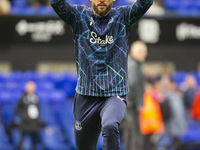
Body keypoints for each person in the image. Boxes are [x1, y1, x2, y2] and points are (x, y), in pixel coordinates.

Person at [50, 0, 153, 149]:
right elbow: (55, 2)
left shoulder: (123, 16)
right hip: (85, 95)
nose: (102, 0)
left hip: (114, 93)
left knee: (110, 126)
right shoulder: (78, 16)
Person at [123, 41, 148, 150]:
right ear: (132, 51)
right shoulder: (133, 65)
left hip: (127, 105)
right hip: (131, 106)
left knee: (129, 134)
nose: (144, 54)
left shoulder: (130, 62)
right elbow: (133, 83)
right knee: (135, 135)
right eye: (141, 51)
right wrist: (139, 103)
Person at [16, 81, 44, 150]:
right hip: (25, 123)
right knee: (22, 140)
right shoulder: (22, 97)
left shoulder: (36, 97)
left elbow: (38, 108)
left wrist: (37, 116)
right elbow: (18, 109)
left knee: (34, 141)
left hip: (34, 123)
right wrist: (24, 115)